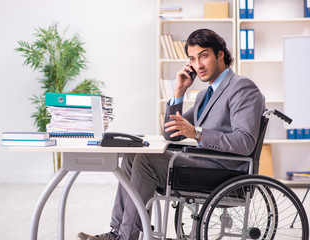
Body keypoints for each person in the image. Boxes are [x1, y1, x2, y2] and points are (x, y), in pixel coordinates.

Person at [77, 28, 265, 240]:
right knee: (131, 157)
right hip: (203, 166)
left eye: (204, 56)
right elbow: (172, 134)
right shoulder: (205, 94)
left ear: (220, 55)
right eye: (192, 59)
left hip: (224, 173)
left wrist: (198, 133)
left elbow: (245, 141)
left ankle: (126, 237)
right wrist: (179, 93)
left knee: (145, 160)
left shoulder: (242, 87)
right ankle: (117, 233)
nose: (198, 65)